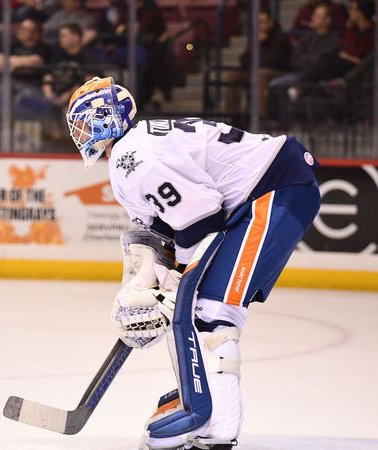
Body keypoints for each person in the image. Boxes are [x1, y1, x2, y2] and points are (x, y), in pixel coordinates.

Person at [65, 76, 321, 450]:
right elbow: (166, 235)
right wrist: (151, 285)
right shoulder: (134, 150)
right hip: (271, 189)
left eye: (85, 123)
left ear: (106, 118)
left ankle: (215, 428)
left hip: (275, 190)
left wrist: (176, 282)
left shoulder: (132, 158)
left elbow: (200, 221)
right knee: (202, 306)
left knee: (212, 311)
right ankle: (204, 402)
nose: (81, 133)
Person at [222, 9, 291, 118]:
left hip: (276, 72)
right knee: (231, 76)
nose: (260, 26)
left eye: (263, 22)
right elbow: (243, 59)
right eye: (258, 22)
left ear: (271, 23)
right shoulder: (255, 38)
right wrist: (256, 45)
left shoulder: (280, 39)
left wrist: (261, 45)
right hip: (255, 71)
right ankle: (231, 113)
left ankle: (260, 115)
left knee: (261, 74)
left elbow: (272, 61)